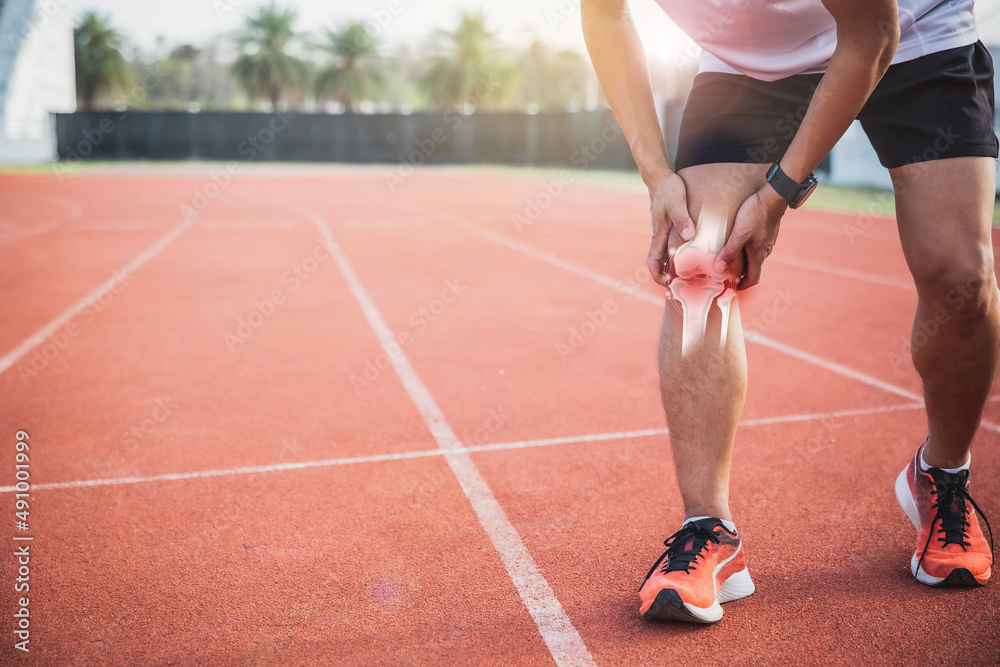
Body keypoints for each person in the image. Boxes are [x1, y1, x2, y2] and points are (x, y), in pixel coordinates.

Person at [581, 0, 999, 623]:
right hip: (750, 57)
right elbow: (606, 16)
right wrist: (656, 177)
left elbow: (872, 35)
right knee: (697, 262)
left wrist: (778, 194)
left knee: (961, 280)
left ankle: (942, 475)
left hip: (912, 34)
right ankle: (711, 532)